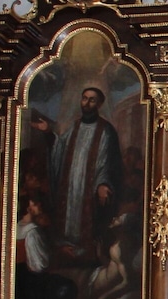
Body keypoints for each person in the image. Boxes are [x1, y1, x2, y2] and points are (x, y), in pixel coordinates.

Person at [37, 87, 124, 255]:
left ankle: (87, 250)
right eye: (84, 98)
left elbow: (109, 162)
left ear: (99, 104)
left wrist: (103, 183)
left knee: (90, 221)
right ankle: (65, 247)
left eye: (92, 100)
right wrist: (48, 132)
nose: (87, 103)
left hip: (91, 185)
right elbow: (59, 149)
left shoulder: (106, 131)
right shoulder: (74, 127)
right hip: (70, 185)